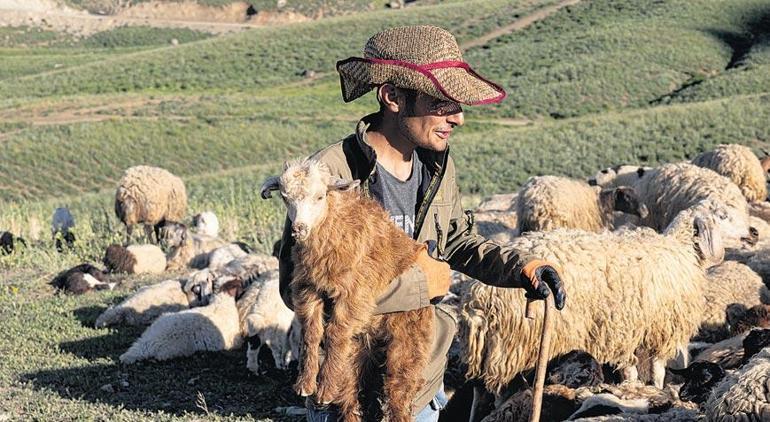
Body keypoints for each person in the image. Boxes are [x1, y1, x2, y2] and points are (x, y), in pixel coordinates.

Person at [276, 25, 567, 421]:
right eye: (442, 102)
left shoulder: (436, 165)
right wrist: (418, 285)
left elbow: (458, 241)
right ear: (393, 97)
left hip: (417, 386)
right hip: (344, 395)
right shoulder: (327, 177)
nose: (459, 118)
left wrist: (521, 269)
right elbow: (300, 289)